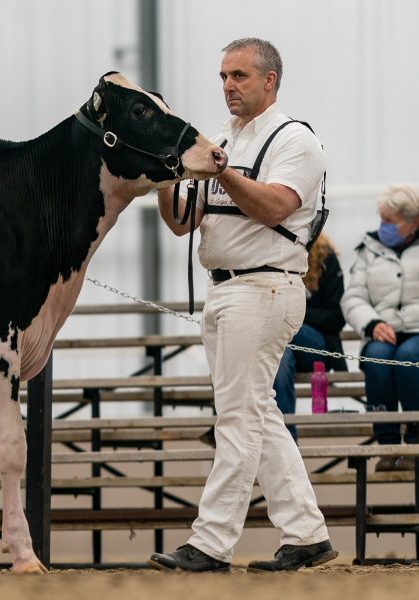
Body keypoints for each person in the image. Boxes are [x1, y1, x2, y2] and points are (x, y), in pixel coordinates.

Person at [150, 38, 336, 572]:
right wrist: (166, 178)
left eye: (240, 76)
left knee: (237, 417)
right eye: (223, 77)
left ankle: (211, 542)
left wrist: (221, 171)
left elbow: (276, 206)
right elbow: (184, 222)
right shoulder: (224, 138)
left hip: (265, 288)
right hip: (225, 289)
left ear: (269, 80)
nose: (228, 86)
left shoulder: (295, 139)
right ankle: (306, 533)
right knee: (258, 413)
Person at [341, 184, 419, 472]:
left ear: (413, 222)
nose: (382, 226)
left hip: (416, 333)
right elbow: (353, 297)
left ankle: (414, 444)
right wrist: (372, 323)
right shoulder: (369, 248)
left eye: (390, 220)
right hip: (381, 331)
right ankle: (387, 445)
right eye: (381, 219)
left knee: (409, 357)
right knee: (376, 358)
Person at [273, 233, 348, 441]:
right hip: (280, 344)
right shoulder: (268, 254)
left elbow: (337, 318)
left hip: (318, 345)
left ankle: (281, 439)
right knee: (280, 356)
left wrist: (295, 313)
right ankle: (286, 443)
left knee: (278, 328)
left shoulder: (325, 257)